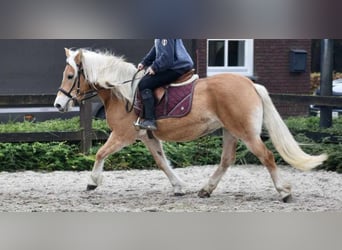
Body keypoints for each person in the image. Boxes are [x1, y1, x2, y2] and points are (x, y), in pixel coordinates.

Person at [137, 39, 194, 130]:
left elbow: (167, 58)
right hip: (174, 66)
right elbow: (156, 49)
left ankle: (150, 120)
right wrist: (145, 62)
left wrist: (155, 67)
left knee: (144, 84)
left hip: (177, 67)